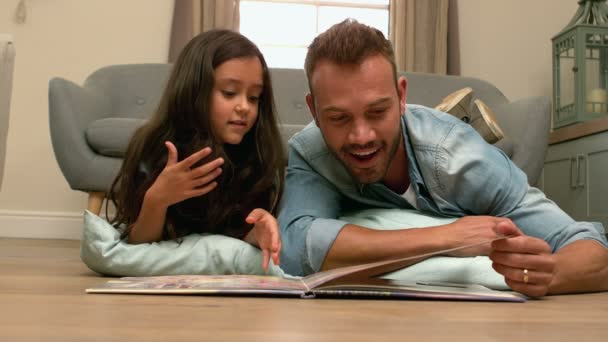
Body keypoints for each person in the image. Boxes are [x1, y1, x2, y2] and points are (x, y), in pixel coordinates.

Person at [278, 19, 608, 297]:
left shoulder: (458, 156)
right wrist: (447, 238)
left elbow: (592, 248)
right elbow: (294, 249)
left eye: (378, 112)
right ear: (314, 112)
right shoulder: (310, 152)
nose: (361, 136)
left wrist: (549, 274)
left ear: (402, 95)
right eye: (339, 118)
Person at [108, 29, 285, 270]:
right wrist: (157, 199)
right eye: (229, 93)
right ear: (193, 91)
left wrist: (258, 232)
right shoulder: (154, 146)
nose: (244, 107)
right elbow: (138, 247)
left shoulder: (256, 154)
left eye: (254, 97)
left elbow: (236, 236)